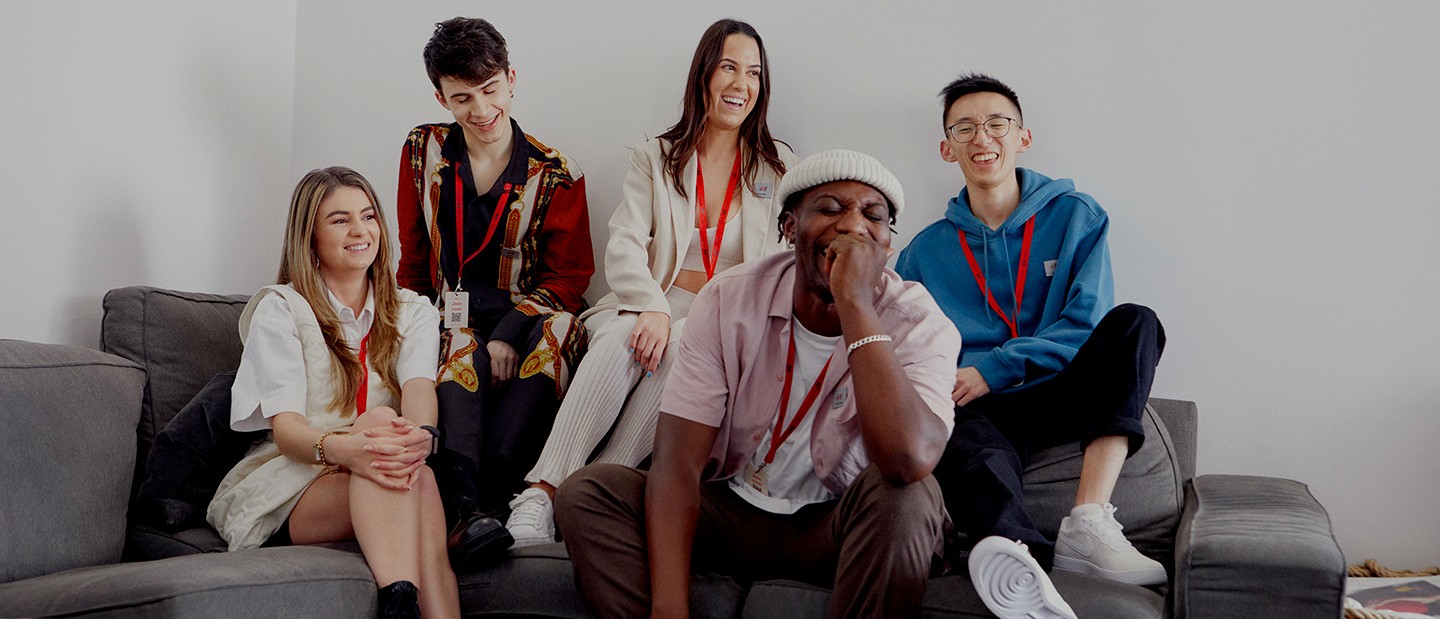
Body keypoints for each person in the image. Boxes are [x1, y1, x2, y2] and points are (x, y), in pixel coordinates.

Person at [555, 150, 961, 619]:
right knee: (588, 494)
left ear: (887, 245)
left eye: (874, 216)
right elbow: (678, 461)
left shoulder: (919, 320)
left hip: (835, 526)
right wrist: (669, 609)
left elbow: (909, 458)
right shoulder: (730, 298)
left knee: (908, 496)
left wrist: (855, 306)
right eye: (830, 208)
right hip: (733, 508)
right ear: (789, 227)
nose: (852, 226)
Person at [503, 18, 797, 548]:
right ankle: (540, 493)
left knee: (689, 347)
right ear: (704, 74)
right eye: (728, 67)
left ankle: (590, 491)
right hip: (650, 297)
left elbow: (777, 269)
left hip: (725, 317)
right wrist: (653, 307)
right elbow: (624, 244)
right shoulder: (656, 158)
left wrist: (699, 318)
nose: (740, 84)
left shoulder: (780, 170)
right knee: (621, 342)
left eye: (753, 73)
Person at [896, 73, 1167, 619]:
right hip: (977, 407)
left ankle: (1088, 522)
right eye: (965, 127)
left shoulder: (1075, 216)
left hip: (1058, 388)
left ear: (1023, 137)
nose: (982, 138)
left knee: (1136, 323)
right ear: (947, 148)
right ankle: (1023, 567)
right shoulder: (922, 254)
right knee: (968, 442)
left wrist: (995, 367)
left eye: (998, 123)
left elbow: (1085, 324)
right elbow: (907, 349)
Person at [207, 167, 458, 619]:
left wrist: (420, 435)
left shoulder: (413, 310)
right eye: (340, 220)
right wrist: (350, 449)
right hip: (298, 479)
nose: (360, 230)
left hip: (382, 464)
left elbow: (419, 387)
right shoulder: (281, 310)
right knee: (387, 437)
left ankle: (400, 598)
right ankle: (400, 595)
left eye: (368, 216)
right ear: (310, 236)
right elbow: (288, 434)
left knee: (408, 457)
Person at [395, 17, 594, 566]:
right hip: (449, 313)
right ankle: (466, 510)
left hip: (526, 317)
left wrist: (508, 334)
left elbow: (569, 280)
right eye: (462, 98)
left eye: (490, 91)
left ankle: (508, 496)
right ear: (441, 96)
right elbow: (412, 262)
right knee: (458, 341)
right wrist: (400, 325)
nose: (480, 110)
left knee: (562, 330)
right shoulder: (422, 151)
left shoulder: (557, 174)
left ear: (511, 79)